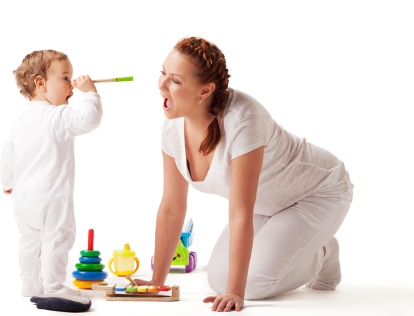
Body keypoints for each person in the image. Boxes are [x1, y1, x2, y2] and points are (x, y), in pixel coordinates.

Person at [135, 37, 354, 312]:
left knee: (251, 285)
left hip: (317, 193)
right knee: (217, 280)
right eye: (163, 73)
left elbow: (240, 212)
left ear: (206, 90)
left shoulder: (243, 119)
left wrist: (236, 293)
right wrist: (157, 282)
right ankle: (303, 244)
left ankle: (322, 252)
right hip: (265, 203)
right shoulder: (172, 129)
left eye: (175, 81)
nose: (161, 85)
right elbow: (171, 208)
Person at [0, 50, 103, 297]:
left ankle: (29, 284)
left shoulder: (21, 120)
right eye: (66, 78)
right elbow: (89, 119)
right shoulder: (59, 115)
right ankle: (55, 287)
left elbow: (8, 150)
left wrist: (7, 181)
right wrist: (90, 93)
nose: (72, 85)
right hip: (52, 198)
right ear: (41, 83)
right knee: (56, 240)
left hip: (23, 198)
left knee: (29, 242)